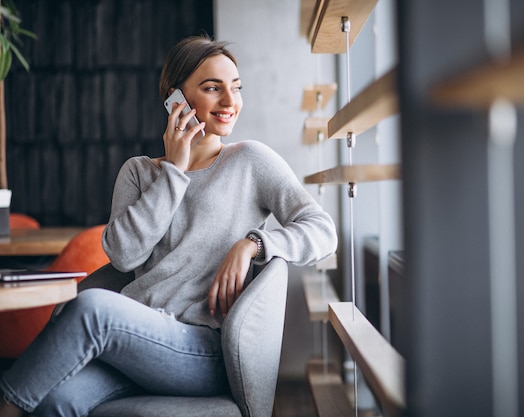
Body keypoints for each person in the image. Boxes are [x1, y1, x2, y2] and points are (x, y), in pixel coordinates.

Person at [0, 35, 337, 417]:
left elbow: (323, 230)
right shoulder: (140, 172)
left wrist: (253, 244)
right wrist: (174, 172)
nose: (230, 102)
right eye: (213, 88)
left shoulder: (251, 162)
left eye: (236, 88)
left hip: (199, 351)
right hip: (130, 343)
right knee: (57, 402)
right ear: (175, 98)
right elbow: (124, 256)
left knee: (90, 307)